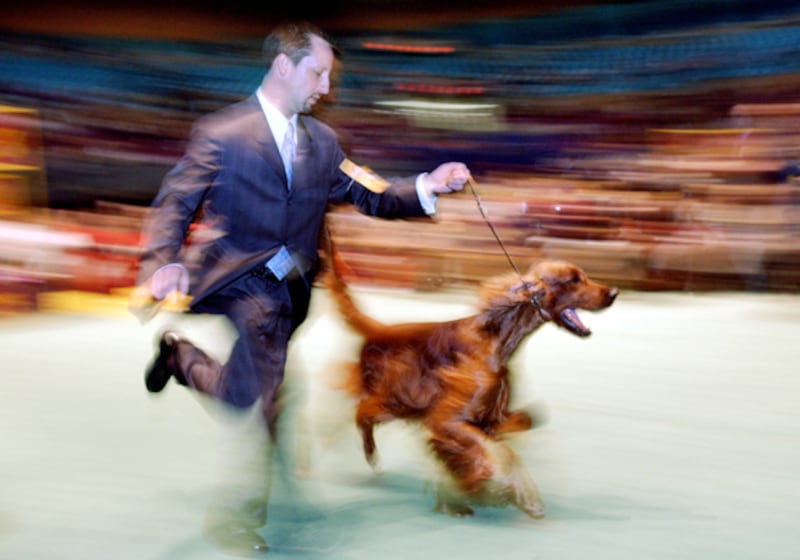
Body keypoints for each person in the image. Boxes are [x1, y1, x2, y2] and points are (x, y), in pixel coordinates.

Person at [130, 20, 470, 556]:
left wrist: (427, 184)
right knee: (264, 398)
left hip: (292, 295)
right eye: (318, 72)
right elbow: (175, 202)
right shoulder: (223, 133)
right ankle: (238, 515)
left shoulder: (325, 143)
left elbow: (372, 193)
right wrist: (162, 261)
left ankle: (179, 360)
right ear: (283, 66)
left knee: (248, 393)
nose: (326, 87)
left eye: (329, 75)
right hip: (240, 284)